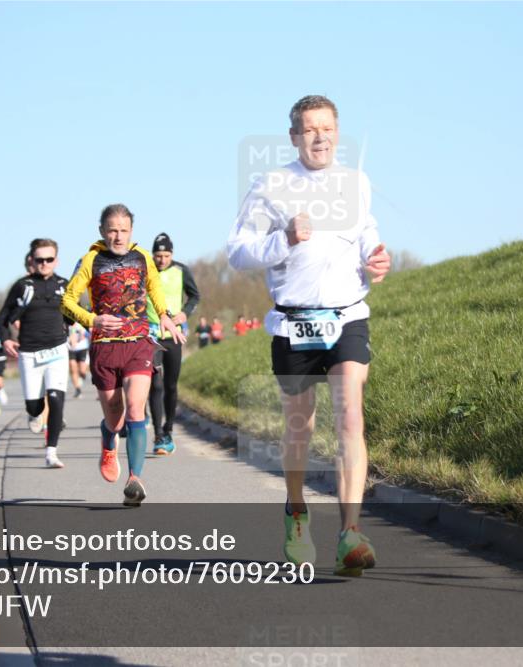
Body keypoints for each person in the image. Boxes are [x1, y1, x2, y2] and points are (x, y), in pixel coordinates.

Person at [227, 94, 391, 576]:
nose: (319, 136)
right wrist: (284, 239)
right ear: (294, 136)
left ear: (337, 134)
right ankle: (296, 510)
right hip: (294, 321)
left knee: (350, 416)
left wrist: (377, 257)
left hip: (347, 316)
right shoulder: (271, 185)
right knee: (300, 426)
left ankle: (350, 533)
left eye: (327, 128)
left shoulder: (354, 183)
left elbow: (368, 236)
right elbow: (238, 252)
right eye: (309, 129)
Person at [62, 204, 186, 506]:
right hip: (105, 345)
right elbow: (67, 301)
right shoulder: (91, 260)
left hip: (138, 341)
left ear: (131, 230)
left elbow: (155, 287)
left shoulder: (143, 256)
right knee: (115, 418)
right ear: (102, 231)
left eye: (124, 230)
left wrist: (165, 315)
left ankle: (135, 480)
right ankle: (108, 441)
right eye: (113, 230)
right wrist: (93, 320)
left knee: (135, 407)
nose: (118, 236)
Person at [0, 238, 73, 469]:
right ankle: (34, 413)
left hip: (57, 350)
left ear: (56, 260)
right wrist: (6, 339)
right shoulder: (22, 286)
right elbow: (4, 317)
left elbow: (74, 315)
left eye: (49, 259)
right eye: (40, 260)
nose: (44, 264)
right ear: (32, 260)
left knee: (56, 399)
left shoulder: (63, 284)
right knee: (34, 406)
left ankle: (51, 452)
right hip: (30, 353)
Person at [147, 232, 201, 455]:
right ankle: (159, 435)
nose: (162, 260)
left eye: (166, 255)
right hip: (151, 335)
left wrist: (185, 314)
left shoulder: (181, 270)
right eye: (158, 255)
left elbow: (195, 296)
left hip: (174, 337)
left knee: (170, 385)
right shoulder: (145, 269)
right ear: (153, 255)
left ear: (172, 254)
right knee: (155, 385)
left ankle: (169, 429)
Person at [68, 322, 91, 399]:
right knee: (73, 368)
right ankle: (77, 389)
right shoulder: (65, 322)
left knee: (82, 370)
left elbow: (88, 333)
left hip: (82, 348)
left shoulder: (81, 321)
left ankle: (81, 378)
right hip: (70, 348)